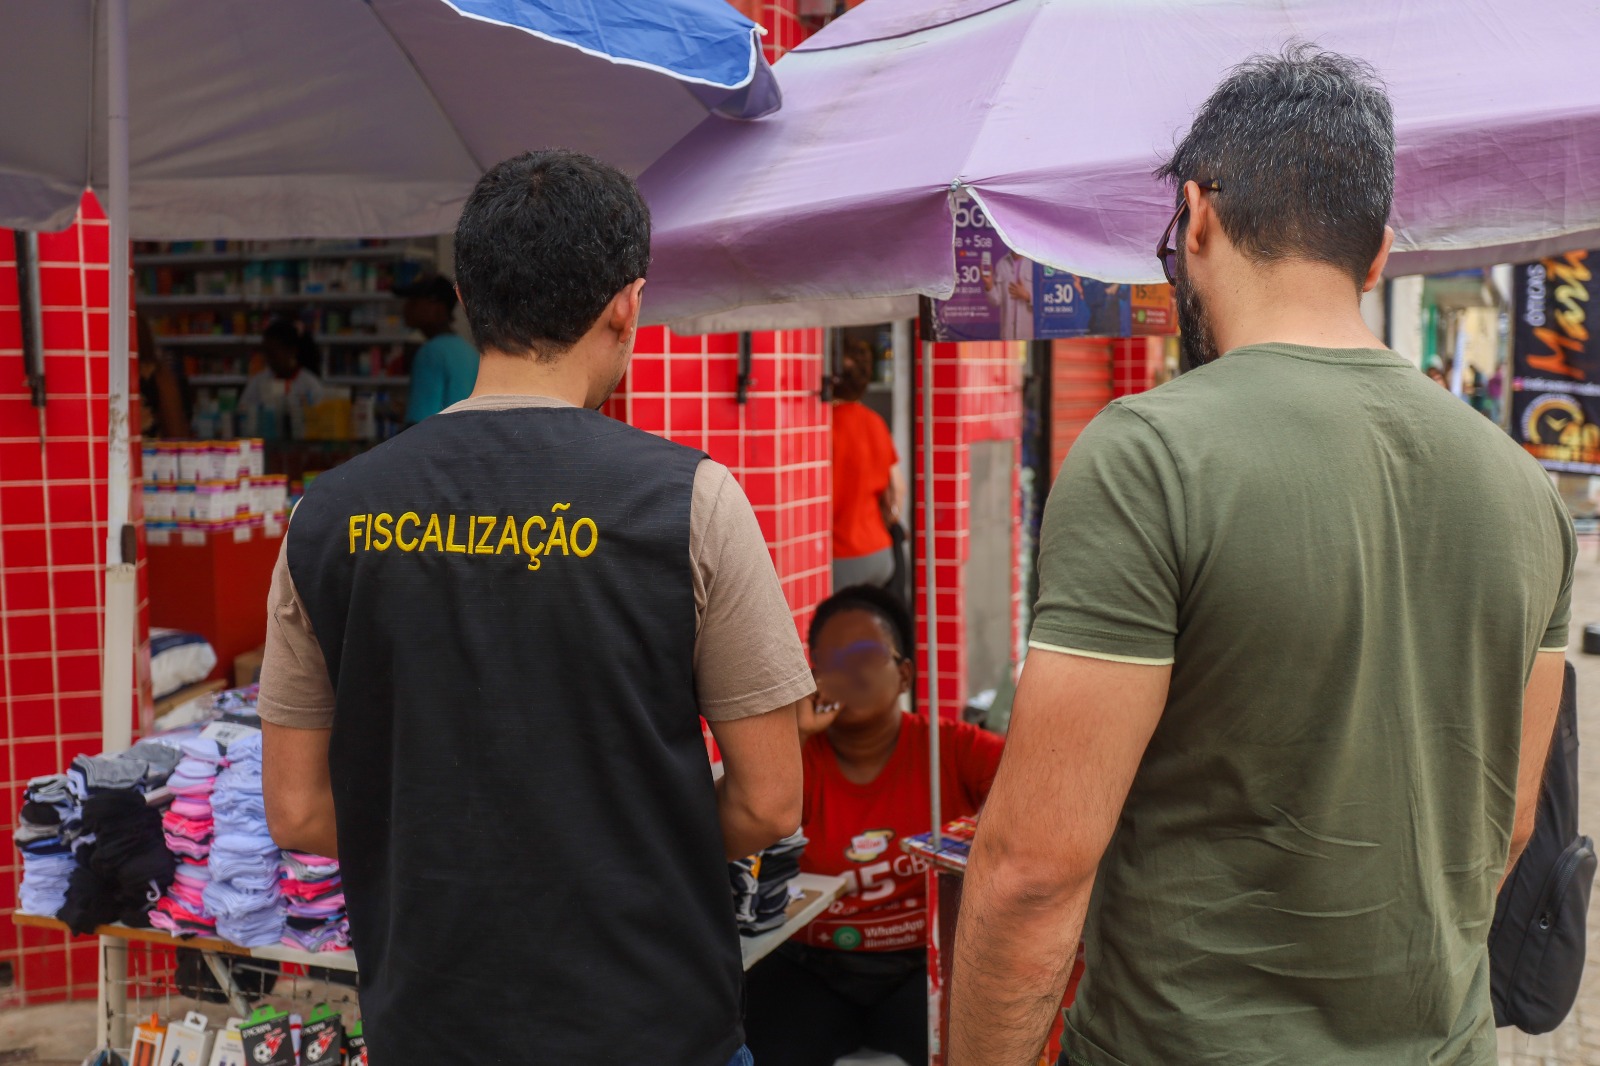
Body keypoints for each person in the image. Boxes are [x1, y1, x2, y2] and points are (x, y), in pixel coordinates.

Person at [950, 46, 1574, 1066]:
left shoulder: (1146, 457)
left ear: (1195, 216)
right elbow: (1502, 825)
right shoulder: (1519, 487)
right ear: (1375, 256)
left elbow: (1034, 871)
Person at [257, 149, 809, 1066]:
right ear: (626, 302)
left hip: (431, 1018)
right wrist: (609, 830)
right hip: (652, 1018)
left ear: (468, 299)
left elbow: (300, 811)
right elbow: (769, 800)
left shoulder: (326, 516)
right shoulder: (692, 501)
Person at [744, 585, 1003, 1066]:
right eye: (829, 659)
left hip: (923, 965)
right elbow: (740, 825)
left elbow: (1034, 787)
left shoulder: (950, 749)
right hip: (807, 963)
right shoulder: (794, 758)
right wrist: (792, 733)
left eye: (865, 654)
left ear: (904, 673)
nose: (847, 672)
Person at [832, 342, 904, 590]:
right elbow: (898, 487)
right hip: (879, 553)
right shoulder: (876, 423)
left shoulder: (818, 429)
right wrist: (890, 517)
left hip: (837, 557)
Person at [396, 273, 479, 423]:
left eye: (414, 301)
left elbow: (419, 423)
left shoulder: (431, 352)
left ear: (439, 308)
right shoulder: (468, 350)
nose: (406, 307)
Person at [238, 317, 324, 427]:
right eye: (266, 353)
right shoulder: (259, 381)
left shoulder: (310, 384)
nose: (268, 359)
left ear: (292, 351)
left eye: (272, 354)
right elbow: (242, 413)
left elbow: (319, 423)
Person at [136, 314, 189, 438]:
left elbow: (175, 430)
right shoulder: (159, 376)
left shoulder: (157, 376)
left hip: (149, 453)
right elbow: (176, 431)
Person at [984, 249, 1034, 339]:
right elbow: (996, 301)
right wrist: (989, 284)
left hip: (1029, 337)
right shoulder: (1001, 264)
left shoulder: (1034, 264)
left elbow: (1045, 303)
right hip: (1007, 335)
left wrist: (1027, 296)